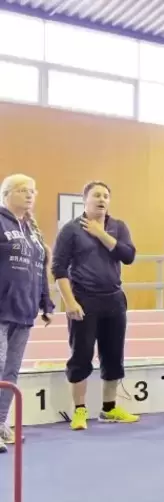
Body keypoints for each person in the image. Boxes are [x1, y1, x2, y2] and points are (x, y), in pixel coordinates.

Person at [51, 181, 139, 430]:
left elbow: (128, 256)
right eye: (96, 195)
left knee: (113, 356)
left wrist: (101, 234)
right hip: (83, 300)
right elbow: (58, 268)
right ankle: (79, 411)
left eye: (106, 196)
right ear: (85, 200)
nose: (102, 200)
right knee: (81, 355)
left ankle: (109, 409)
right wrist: (69, 301)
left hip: (113, 299)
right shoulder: (70, 230)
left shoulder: (118, 227)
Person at [0, 174, 54, 453]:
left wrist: (46, 303)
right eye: (23, 190)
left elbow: (40, 271)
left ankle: (0, 423)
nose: (30, 195)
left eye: (33, 191)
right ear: (7, 193)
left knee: (11, 371)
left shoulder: (33, 232)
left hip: (24, 311)